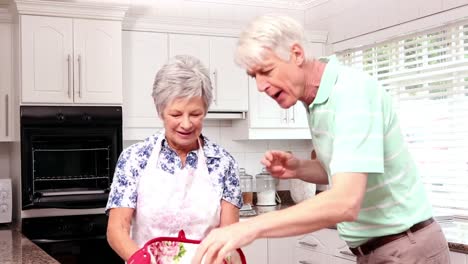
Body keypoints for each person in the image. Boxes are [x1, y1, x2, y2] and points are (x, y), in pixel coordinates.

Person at [192, 15, 450, 264]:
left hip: (407, 248)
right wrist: (300, 168)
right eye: (254, 76)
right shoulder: (316, 102)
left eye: (266, 71)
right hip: (381, 249)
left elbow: (345, 202)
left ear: (296, 54)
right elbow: (346, 170)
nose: (260, 86)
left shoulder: (351, 94)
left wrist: (249, 228)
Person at [106, 55, 242, 262]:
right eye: (176, 114)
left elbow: (230, 235)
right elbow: (117, 229)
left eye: (195, 114)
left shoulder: (224, 163)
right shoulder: (134, 158)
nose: (186, 124)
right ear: (161, 112)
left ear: (205, 111)